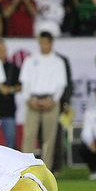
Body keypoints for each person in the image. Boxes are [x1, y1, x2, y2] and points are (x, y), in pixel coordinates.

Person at [20, 31, 67, 168]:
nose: (43, 46)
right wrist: (28, 99)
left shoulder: (58, 62)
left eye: (46, 43)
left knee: (49, 138)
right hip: (33, 100)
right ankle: (25, 168)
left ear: (51, 44)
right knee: (29, 136)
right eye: (41, 43)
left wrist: (54, 100)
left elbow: (61, 85)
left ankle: (46, 169)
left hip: (50, 100)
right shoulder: (31, 60)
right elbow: (25, 82)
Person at [0, 39, 21, 149]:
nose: (0, 52)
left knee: (10, 141)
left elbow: (20, 86)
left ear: (6, 51)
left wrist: (9, 90)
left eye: (2, 50)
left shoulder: (13, 67)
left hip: (8, 108)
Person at [81, 87, 96, 180]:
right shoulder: (90, 113)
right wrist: (90, 143)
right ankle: (95, 170)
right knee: (83, 148)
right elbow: (86, 132)